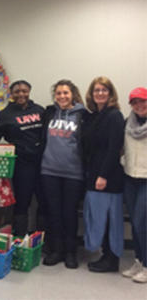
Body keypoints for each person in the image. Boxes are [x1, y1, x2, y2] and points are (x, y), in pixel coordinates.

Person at [0, 80, 47, 237]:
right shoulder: (5, 115)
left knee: (45, 202)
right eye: (17, 92)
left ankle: (43, 240)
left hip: (44, 163)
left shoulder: (40, 110)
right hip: (22, 165)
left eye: (24, 91)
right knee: (22, 202)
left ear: (29, 92)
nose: (21, 94)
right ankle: (21, 240)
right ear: (11, 94)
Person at [41, 79, 86, 269]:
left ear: (73, 94)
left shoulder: (83, 115)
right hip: (49, 171)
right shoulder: (49, 113)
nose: (62, 96)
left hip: (73, 173)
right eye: (58, 93)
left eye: (65, 93)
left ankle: (70, 252)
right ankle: (57, 250)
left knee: (70, 213)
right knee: (55, 213)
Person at [82, 76, 125, 273]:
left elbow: (114, 148)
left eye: (104, 90)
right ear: (91, 94)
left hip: (108, 176)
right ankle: (104, 255)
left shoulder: (114, 115)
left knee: (110, 219)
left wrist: (103, 176)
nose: (100, 93)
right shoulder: (93, 116)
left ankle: (111, 259)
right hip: (94, 174)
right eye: (96, 90)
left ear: (110, 93)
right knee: (98, 218)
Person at [121, 87, 147, 283]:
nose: (139, 105)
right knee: (135, 223)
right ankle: (139, 260)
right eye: (135, 102)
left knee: (141, 222)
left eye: (143, 101)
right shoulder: (127, 124)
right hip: (130, 178)